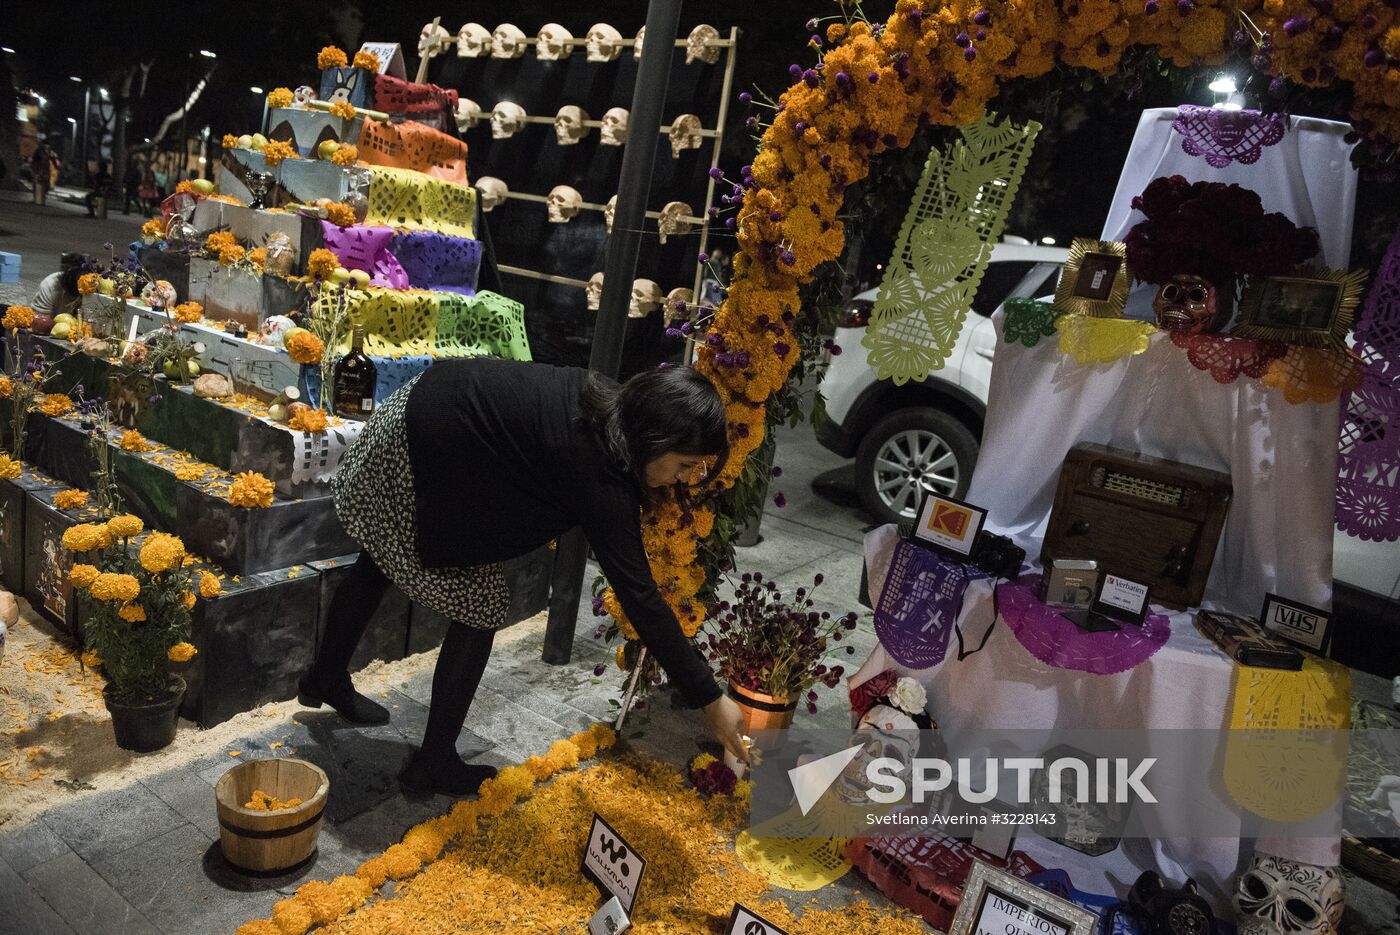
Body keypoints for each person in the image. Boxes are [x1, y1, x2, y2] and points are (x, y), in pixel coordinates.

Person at [300, 358, 748, 796]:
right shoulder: (600, 470)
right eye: (685, 464)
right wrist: (711, 699)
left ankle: (324, 677)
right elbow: (640, 598)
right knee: (480, 607)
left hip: (417, 407)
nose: (683, 479)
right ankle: (433, 762)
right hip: (420, 448)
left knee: (380, 555)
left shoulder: (609, 407)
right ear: (656, 436)